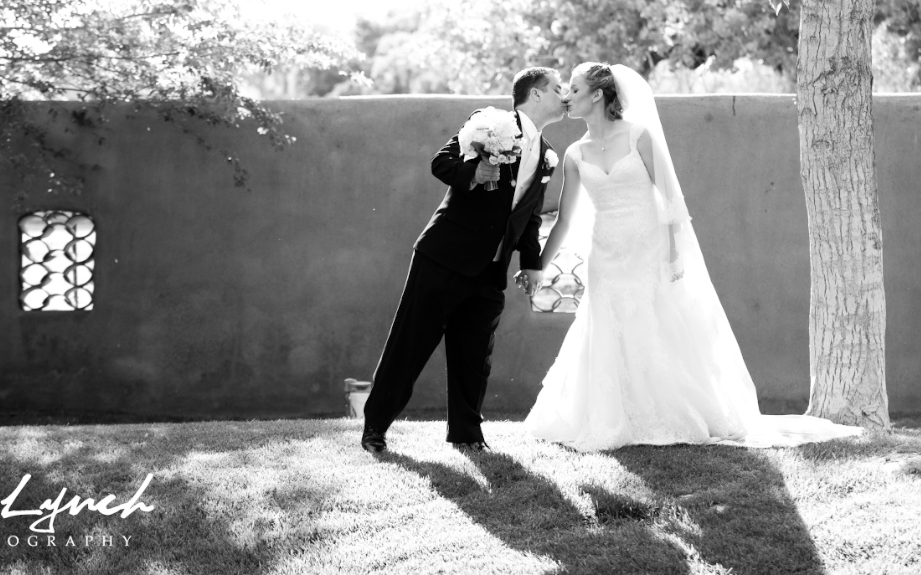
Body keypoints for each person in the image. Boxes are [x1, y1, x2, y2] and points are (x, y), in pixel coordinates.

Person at [524, 62, 862, 451]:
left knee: (652, 330)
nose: (567, 96)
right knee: (608, 331)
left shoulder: (638, 137)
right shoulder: (574, 153)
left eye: (574, 88)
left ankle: (666, 414)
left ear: (597, 94)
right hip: (604, 256)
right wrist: (537, 266)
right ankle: (612, 417)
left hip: (648, 251)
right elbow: (565, 220)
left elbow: (671, 200)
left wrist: (673, 255)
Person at [361, 67, 567, 454]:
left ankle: (467, 435)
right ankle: (375, 428)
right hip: (444, 256)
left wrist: (531, 262)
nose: (566, 95)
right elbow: (440, 163)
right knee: (411, 344)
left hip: (491, 271)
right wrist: (475, 171)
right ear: (536, 94)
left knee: (475, 356)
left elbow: (529, 215)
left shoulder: (547, 155)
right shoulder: (489, 122)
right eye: (559, 88)